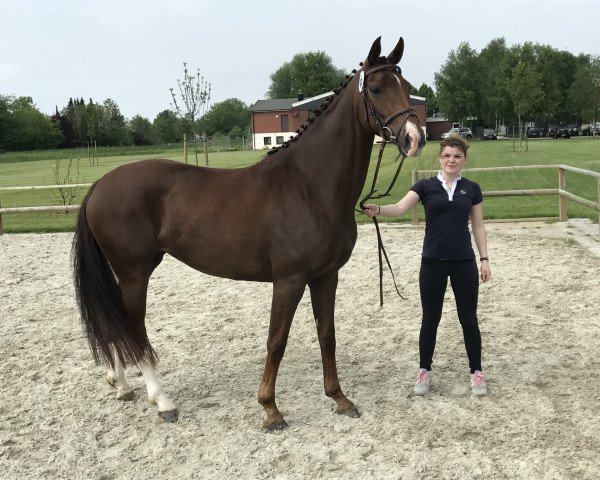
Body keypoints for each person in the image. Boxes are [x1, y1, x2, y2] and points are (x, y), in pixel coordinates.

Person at [362, 135, 491, 396]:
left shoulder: (472, 189)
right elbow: (399, 208)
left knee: (468, 318)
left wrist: (484, 259)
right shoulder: (425, 186)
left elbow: (478, 225)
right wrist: (378, 208)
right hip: (432, 262)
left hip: (463, 262)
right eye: (447, 155)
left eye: (456, 156)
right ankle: (424, 370)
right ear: (440, 158)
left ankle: (476, 372)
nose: (451, 160)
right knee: (430, 319)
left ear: (463, 159)